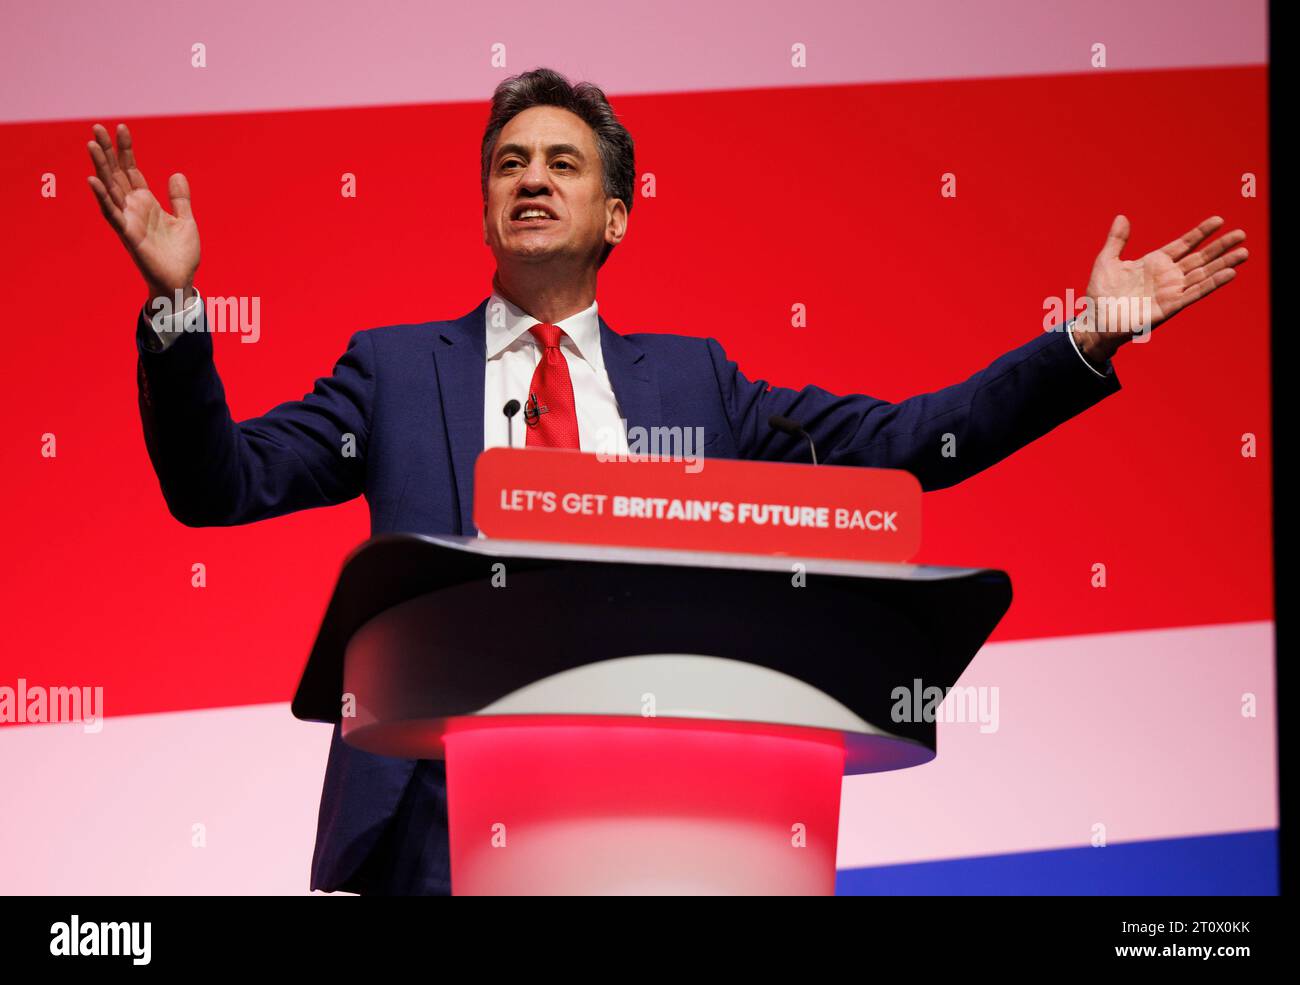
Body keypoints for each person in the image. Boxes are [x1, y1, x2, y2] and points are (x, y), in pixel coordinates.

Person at [86, 67, 1248, 895]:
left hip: (655, 815)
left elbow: (909, 443)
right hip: (432, 819)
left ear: (617, 213)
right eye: (508, 163)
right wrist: (178, 308)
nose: (529, 179)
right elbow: (219, 484)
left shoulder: (698, 386)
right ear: (486, 205)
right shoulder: (394, 370)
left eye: (561, 162)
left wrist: (1087, 339)